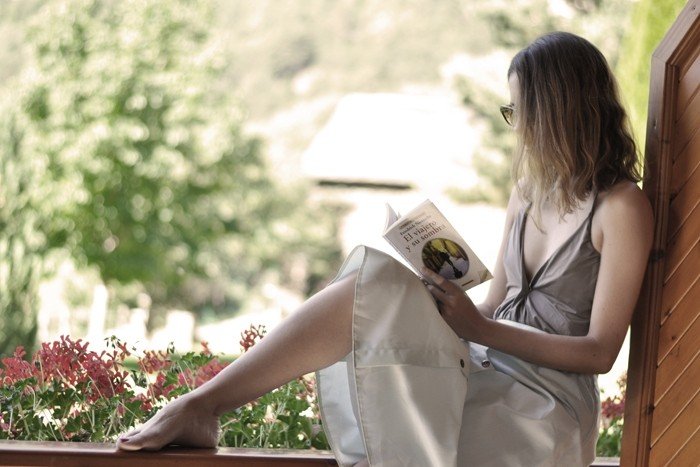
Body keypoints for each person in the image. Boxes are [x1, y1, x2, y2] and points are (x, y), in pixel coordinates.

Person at [117, 31, 653, 466]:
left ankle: (202, 405)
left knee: (390, 346)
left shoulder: (621, 208)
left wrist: (479, 328)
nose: (518, 127)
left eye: (521, 110)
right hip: (488, 365)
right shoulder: (528, 192)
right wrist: (441, 300)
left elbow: (599, 352)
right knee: (372, 285)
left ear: (558, 109)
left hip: (547, 406)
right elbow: (493, 307)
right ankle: (205, 404)